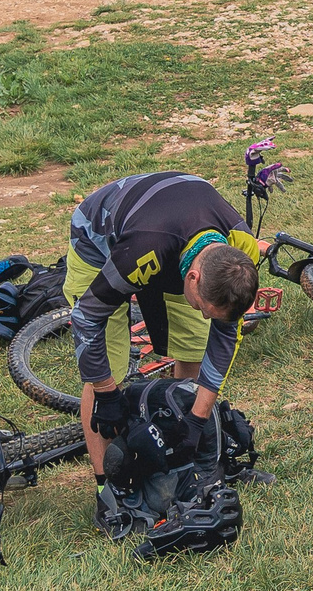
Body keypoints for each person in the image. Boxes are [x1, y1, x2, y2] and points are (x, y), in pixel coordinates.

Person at [59, 172, 263, 527]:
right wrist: (108, 394)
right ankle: (109, 493)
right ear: (194, 278)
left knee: (194, 347)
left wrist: (196, 421)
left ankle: (182, 469)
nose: (204, 313)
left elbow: (224, 338)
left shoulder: (240, 251)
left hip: (177, 242)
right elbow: (86, 317)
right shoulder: (144, 248)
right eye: (202, 306)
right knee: (109, 367)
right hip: (101, 239)